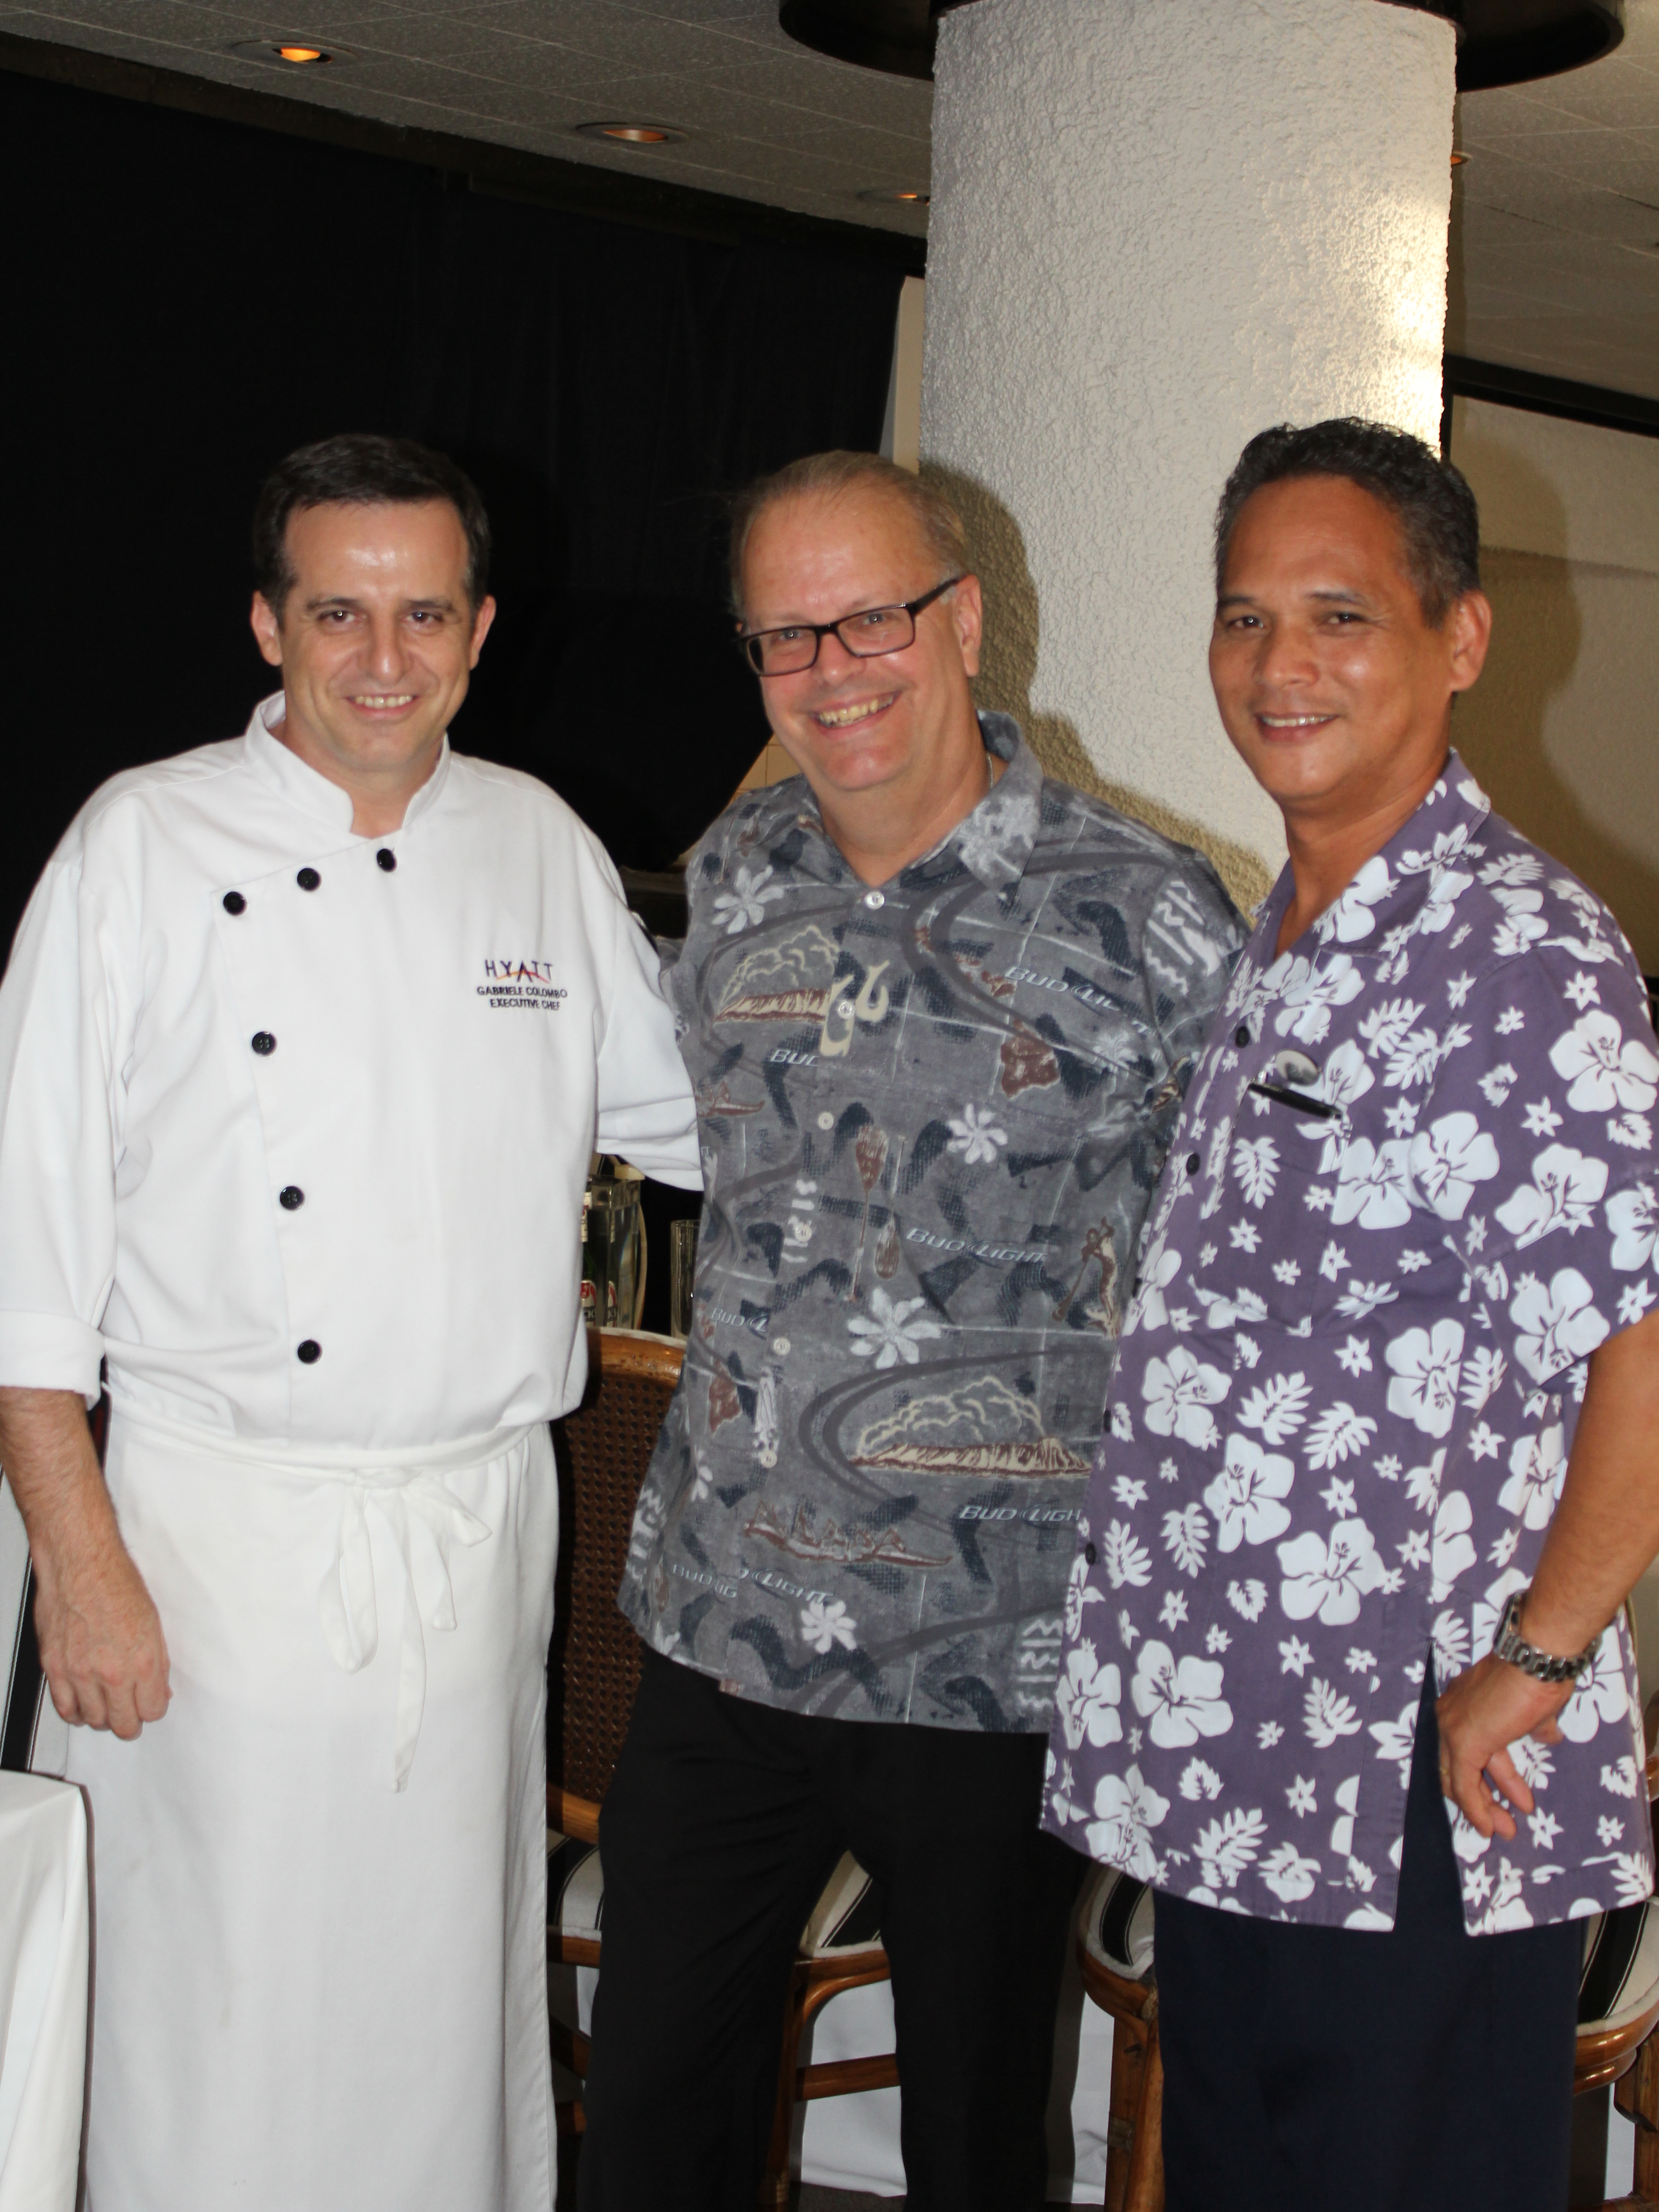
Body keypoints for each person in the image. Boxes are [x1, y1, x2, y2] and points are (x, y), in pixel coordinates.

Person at [0, 434, 699, 2212]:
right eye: (337, 613)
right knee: (200, 2009)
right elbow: (29, 1255)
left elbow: (707, 1118)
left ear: (478, 635)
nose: (381, 658)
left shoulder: (540, 847)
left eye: (421, 615)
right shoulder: (139, 846)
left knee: (439, 2002)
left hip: (471, 1544)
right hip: (204, 1541)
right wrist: (79, 1564)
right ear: (266, 626)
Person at [578, 449, 1244, 2212]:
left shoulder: (1148, 911)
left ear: (962, 623)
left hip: (988, 1649)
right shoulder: (734, 876)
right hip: (721, 1628)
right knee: (647, 2112)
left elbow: (1235, 1277)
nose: (831, 667)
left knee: (972, 2142)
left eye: (869, 616)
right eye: (784, 635)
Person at [1046, 416, 1659, 2210]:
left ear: (1459, 640)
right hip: (1245, 1743)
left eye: (1340, 616)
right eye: (1245, 618)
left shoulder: (1525, 959)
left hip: (1422, 1750)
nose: (1279, 666)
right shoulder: (1293, 934)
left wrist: (1536, 1663)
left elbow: (1641, 1333)